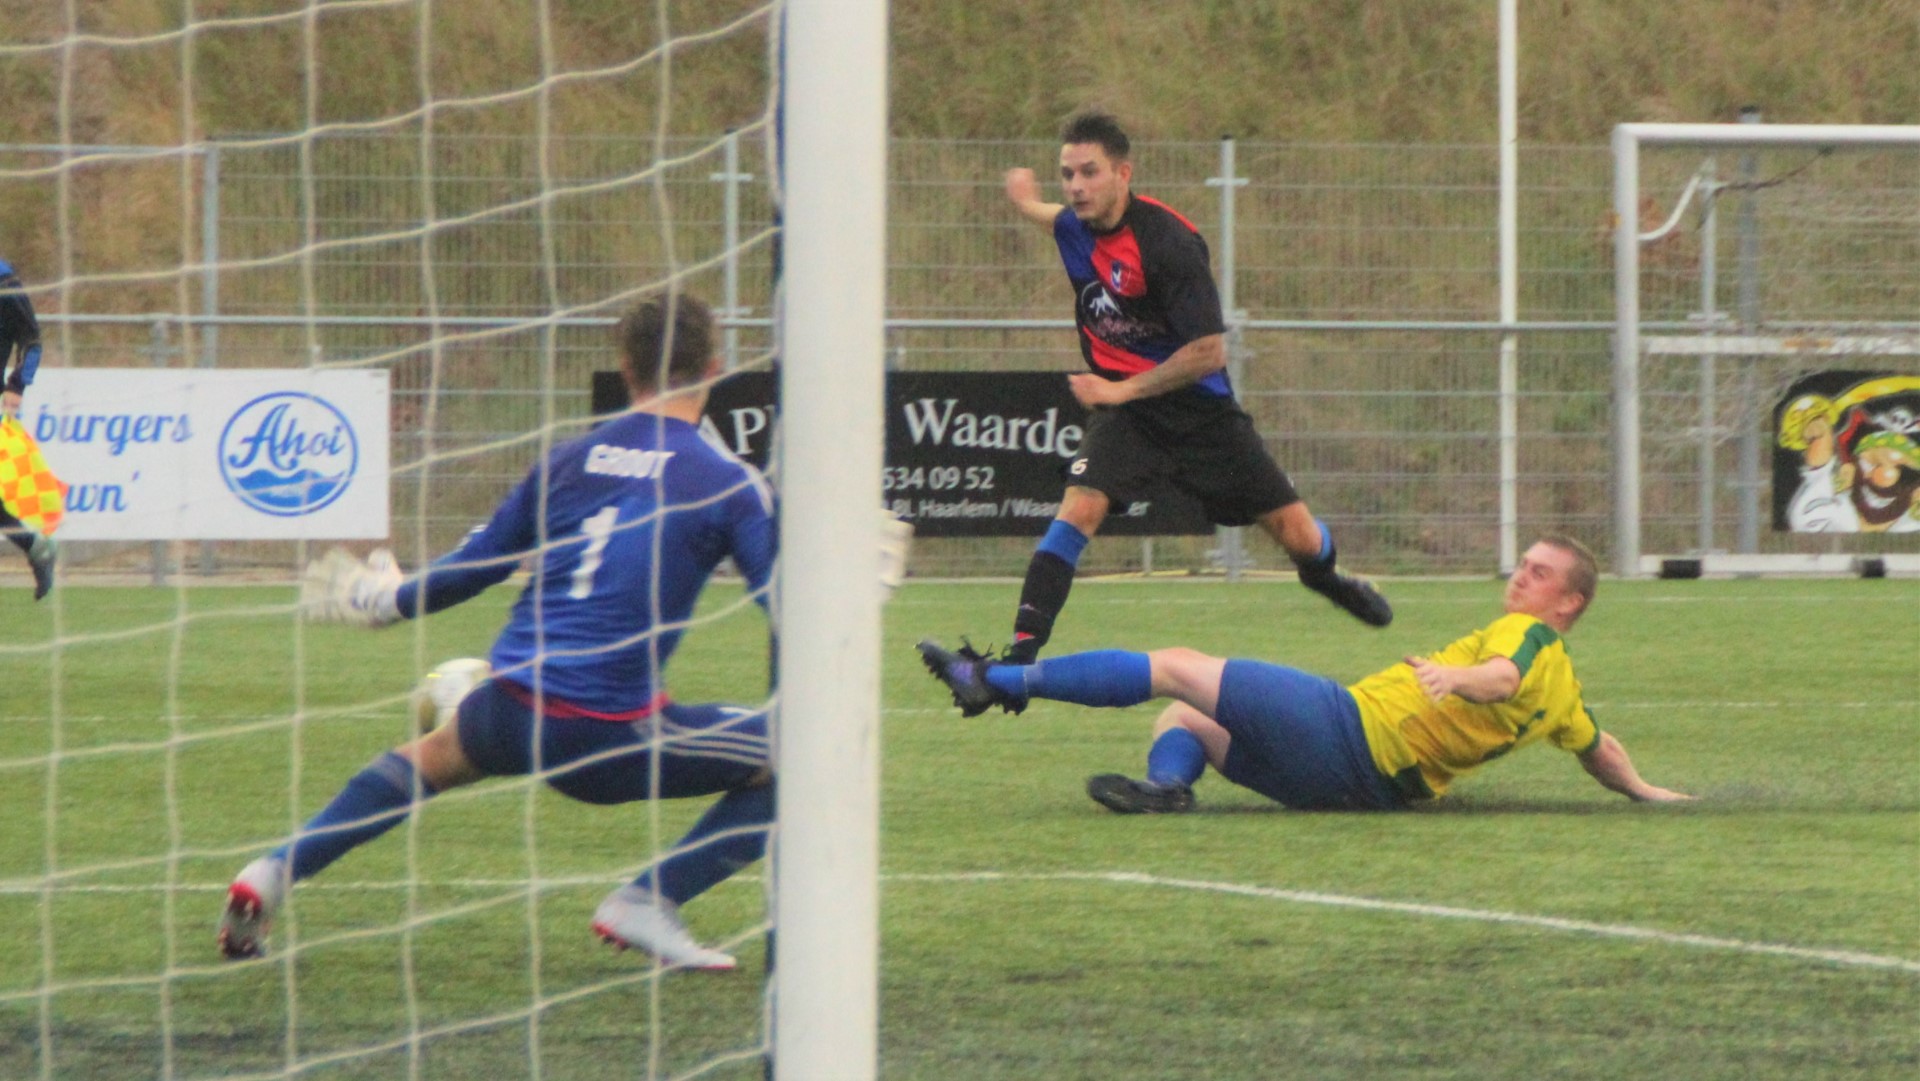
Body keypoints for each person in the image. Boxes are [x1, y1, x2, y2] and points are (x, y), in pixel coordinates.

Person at [219, 292, 780, 970]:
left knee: (436, 753)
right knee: (799, 759)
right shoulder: (729, 481)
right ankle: (647, 902)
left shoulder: (569, 460)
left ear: (625, 366)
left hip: (509, 706)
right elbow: (785, 608)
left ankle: (273, 870)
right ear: (714, 367)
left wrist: (388, 597)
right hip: (606, 732)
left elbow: (474, 568)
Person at [991, 112, 1389, 669]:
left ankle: (1327, 578)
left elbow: (1208, 352)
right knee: (1079, 509)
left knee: (1296, 535)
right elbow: (1051, 216)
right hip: (1128, 413)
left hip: (1199, 412)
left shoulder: (1168, 244)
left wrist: (1121, 391)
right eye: (1067, 174)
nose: (1077, 186)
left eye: (1090, 172)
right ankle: (1019, 657)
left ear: (1123, 173)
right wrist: (1023, 200)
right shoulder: (1073, 226)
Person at [920, 534, 1691, 812]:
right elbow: (1597, 746)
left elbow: (1500, 676)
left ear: (1570, 602)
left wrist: (1458, 681)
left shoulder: (1528, 639)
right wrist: (1653, 792)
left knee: (1180, 669)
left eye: (1540, 571)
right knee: (1184, 720)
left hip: (1350, 731)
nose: (1522, 577)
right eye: (1524, 564)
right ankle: (1169, 789)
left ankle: (992, 680)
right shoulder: (1567, 695)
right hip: (1368, 790)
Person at [0, 257, 55, 600]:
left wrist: (18, 384)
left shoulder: (3, 281)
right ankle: (36, 547)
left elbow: (31, 339)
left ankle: (37, 547)